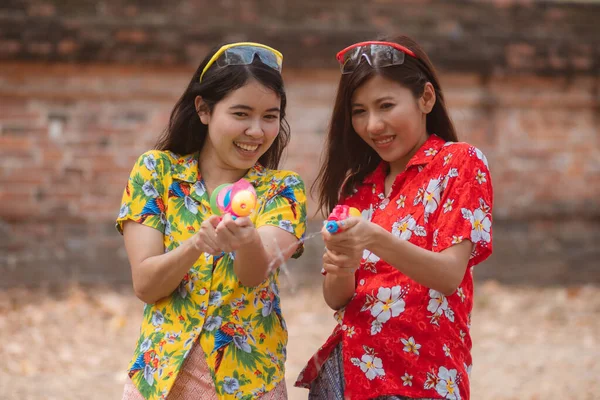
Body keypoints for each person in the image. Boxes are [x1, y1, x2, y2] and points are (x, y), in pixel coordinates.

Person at [295, 36, 493, 400]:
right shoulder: (357, 189)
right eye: (359, 111)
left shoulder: (458, 164)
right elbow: (337, 299)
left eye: (386, 105)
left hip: (421, 379)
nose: (373, 125)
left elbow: (449, 275)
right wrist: (341, 265)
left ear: (426, 98)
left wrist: (372, 238)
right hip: (344, 377)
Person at [116, 42, 307, 400]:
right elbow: (145, 284)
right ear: (203, 110)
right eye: (241, 114)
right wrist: (195, 245)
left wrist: (246, 240)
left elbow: (252, 275)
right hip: (161, 381)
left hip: (250, 386)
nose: (257, 130)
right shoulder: (157, 172)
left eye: (270, 116)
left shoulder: (284, 190)